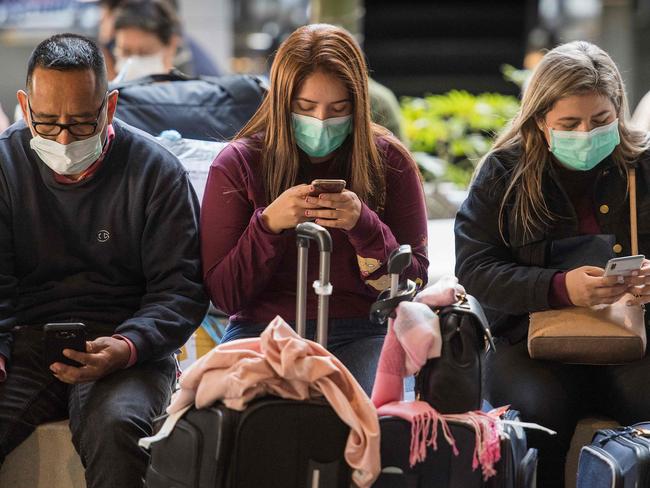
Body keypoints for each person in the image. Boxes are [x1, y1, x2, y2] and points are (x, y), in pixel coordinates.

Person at [0, 34, 207, 487]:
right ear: (24, 103)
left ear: (109, 108)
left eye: (80, 123)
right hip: (23, 343)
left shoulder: (155, 172)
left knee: (118, 430)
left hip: (125, 343)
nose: (63, 138)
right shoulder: (5, 164)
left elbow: (181, 289)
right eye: (47, 122)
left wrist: (130, 345)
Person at [455, 41, 650, 487]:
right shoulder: (504, 173)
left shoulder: (643, 165)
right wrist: (559, 288)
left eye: (601, 121)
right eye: (570, 123)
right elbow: (475, 267)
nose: (586, 133)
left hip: (631, 339)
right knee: (540, 410)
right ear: (541, 121)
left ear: (618, 112)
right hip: (526, 344)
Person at [200, 24, 428, 395]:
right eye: (305, 108)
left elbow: (412, 283)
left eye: (338, 109)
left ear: (358, 104)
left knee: (364, 411)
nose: (321, 122)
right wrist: (268, 224)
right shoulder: (238, 164)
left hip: (362, 329)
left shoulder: (389, 162)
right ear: (281, 103)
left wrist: (365, 226)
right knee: (240, 419)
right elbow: (225, 296)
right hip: (262, 329)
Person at [99, 0, 221, 81]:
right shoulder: (106, 48)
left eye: (145, 52)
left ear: (171, 46)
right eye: (125, 52)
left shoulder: (199, 75)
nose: (132, 62)